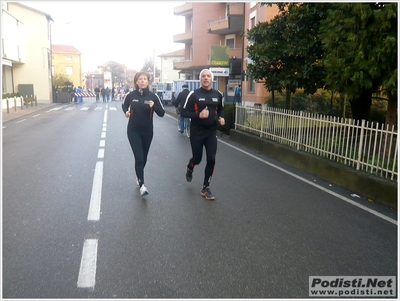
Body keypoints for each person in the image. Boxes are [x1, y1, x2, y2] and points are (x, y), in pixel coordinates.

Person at [180, 69, 225, 200]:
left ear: (212, 79)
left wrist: (222, 118)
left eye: (208, 76)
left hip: (211, 131)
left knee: (211, 158)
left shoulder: (218, 94)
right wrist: (198, 115)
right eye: (204, 76)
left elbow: (221, 108)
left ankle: (206, 187)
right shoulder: (193, 94)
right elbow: (182, 112)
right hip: (197, 131)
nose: (206, 78)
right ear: (200, 79)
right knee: (197, 158)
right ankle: (190, 166)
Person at [121, 71, 165, 197]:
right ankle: (142, 185)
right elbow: (124, 105)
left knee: (144, 158)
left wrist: (153, 107)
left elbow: (162, 113)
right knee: (139, 157)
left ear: (148, 81)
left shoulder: (153, 96)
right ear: (136, 82)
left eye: (144, 79)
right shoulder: (131, 95)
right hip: (133, 130)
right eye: (140, 79)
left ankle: (138, 173)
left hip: (147, 131)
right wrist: (126, 112)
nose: (142, 81)